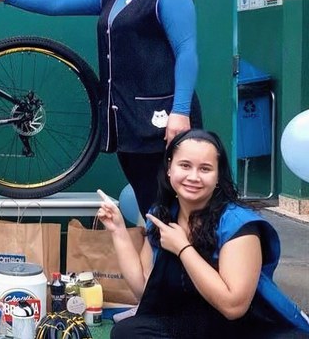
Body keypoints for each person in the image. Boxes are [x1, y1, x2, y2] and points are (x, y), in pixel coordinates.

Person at [0, 0, 202, 217]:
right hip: (127, 121)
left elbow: (186, 52)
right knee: (151, 206)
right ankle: (156, 249)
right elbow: (57, 4)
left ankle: (182, 249)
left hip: (165, 120)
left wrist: (180, 112)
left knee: (181, 209)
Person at [97, 129, 309, 338]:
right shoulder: (162, 214)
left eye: (205, 169)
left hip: (245, 328)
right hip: (192, 322)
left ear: (218, 176)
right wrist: (118, 231)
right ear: (169, 168)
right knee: (127, 332)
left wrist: (183, 248)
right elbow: (144, 290)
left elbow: (234, 307)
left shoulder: (238, 223)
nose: (193, 177)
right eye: (185, 165)